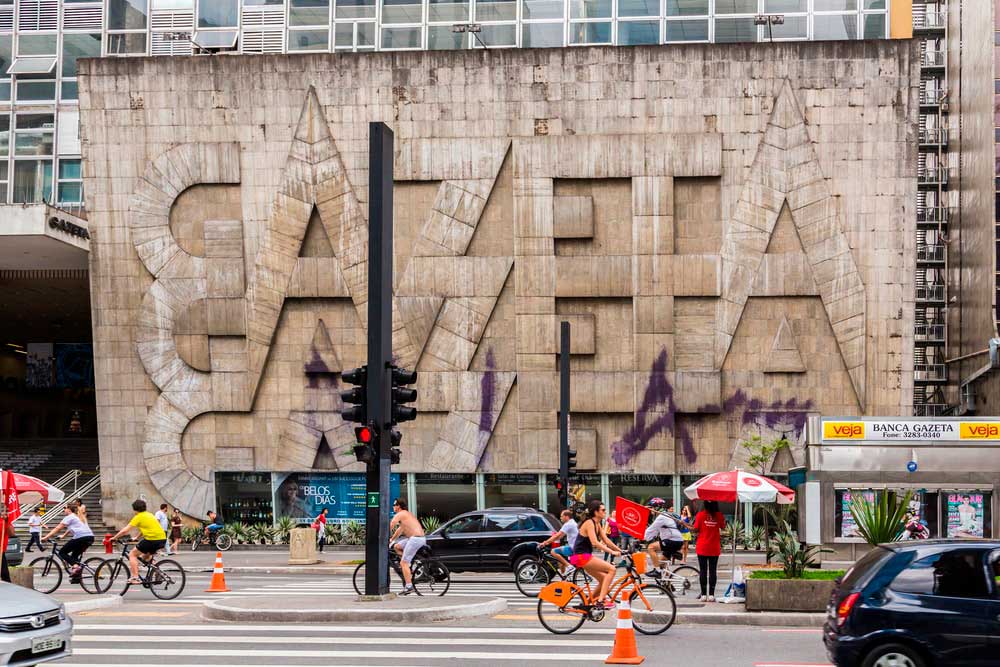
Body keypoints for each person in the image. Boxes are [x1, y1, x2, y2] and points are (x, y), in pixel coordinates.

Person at [571, 500, 623, 610]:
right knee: (612, 569)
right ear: (595, 512)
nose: (605, 512)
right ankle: (600, 601)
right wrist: (611, 552)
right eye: (603, 510)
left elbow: (606, 540)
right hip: (581, 556)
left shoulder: (597, 523)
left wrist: (621, 550)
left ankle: (587, 604)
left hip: (584, 556)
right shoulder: (589, 523)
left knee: (604, 578)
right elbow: (595, 542)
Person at [109, 499, 167, 585]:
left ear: (135, 510)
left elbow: (125, 530)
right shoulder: (150, 515)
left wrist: (114, 537)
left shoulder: (138, 517)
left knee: (132, 554)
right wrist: (136, 537)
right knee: (145, 557)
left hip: (152, 540)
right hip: (162, 539)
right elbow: (147, 529)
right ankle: (157, 572)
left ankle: (135, 578)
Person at [41, 503, 94, 583]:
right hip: (90, 537)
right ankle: (76, 578)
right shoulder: (78, 517)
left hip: (81, 537)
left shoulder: (69, 517)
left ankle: (76, 568)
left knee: (62, 552)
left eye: (64, 508)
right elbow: (71, 528)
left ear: (69, 509)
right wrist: (63, 536)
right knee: (74, 557)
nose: (64, 510)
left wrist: (46, 537)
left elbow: (57, 528)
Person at [388, 498, 425, 595]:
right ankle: (408, 567)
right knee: (397, 546)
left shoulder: (400, 514)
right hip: (415, 538)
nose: (393, 507)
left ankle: (409, 586)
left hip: (415, 539)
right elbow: (399, 530)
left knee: (403, 563)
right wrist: (391, 539)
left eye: (394, 505)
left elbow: (391, 524)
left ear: (398, 506)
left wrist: (382, 535)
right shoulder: (406, 515)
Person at [692, 500, 725, 602]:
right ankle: (711, 595)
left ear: (705, 504)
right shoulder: (719, 515)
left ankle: (703, 595)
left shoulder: (700, 515)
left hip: (702, 547)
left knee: (703, 571)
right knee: (712, 571)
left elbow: (695, 528)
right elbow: (723, 527)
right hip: (714, 547)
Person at [644, 498, 684, 578]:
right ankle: (669, 586)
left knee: (651, 547)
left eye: (651, 508)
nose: (650, 510)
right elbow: (656, 531)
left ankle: (657, 571)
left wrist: (643, 537)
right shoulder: (665, 515)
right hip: (676, 540)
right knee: (662, 564)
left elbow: (652, 529)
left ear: (656, 508)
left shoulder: (661, 517)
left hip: (673, 540)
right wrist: (648, 537)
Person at [537, 509, 578, 576]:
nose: (560, 518)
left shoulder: (568, 524)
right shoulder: (573, 522)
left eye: (562, 516)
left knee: (553, 551)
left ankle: (569, 566)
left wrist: (545, 543)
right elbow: (560, 536)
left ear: (566, 516)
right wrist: (551, 541)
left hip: (573, 548)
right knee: (560, 559)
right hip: (576, 547)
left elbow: (557, 535)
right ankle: (564, 578)